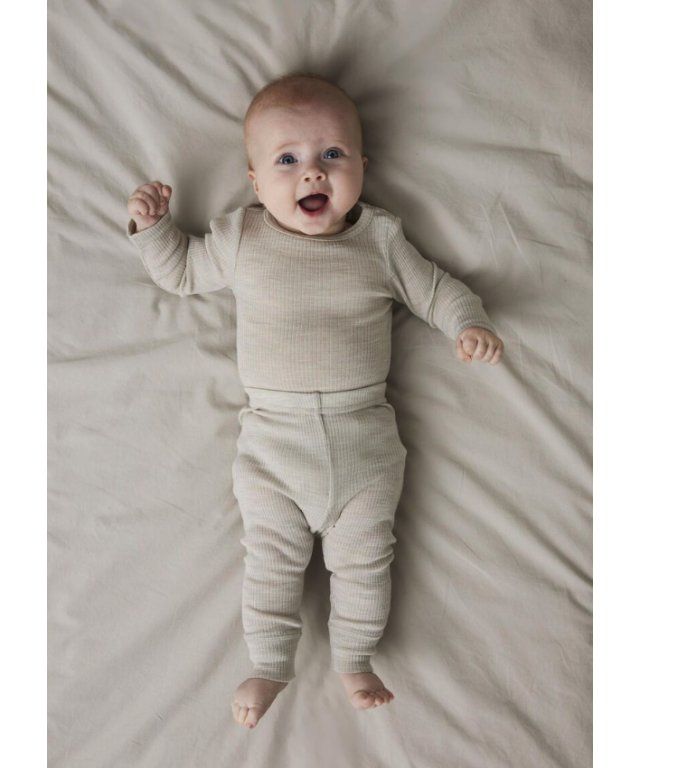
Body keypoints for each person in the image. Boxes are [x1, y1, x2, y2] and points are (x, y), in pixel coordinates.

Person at [125, 73, 504, 730]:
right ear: (254, 181)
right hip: (274, 446)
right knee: (269, 564)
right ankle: (269, 664)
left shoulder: (379, 240)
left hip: (365, 445)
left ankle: (355, 658)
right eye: (287, 160)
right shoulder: (242, 238)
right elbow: (182, 272)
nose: (312, 173)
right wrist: (153, 227)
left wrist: (467, 324)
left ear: (363, 166)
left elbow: (436, 290)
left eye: (332, 154)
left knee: (366, 562)